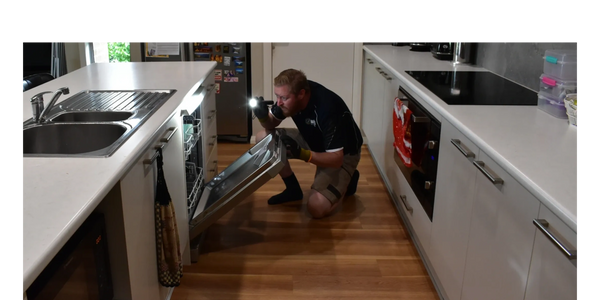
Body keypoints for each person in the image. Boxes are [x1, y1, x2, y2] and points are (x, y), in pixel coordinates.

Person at [253, 68, 363, 219]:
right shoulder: (291, 97)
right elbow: (270, 125)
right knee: (263, 139)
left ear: (301, 94)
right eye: (277, 96)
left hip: (343, 155)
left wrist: (302, 153)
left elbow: (336, 159)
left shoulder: (328, 109)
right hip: (313, 140)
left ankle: (348, 178)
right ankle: (293, 190)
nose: (278, 103)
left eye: (283, 98)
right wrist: (263, 116)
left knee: (316, 208)